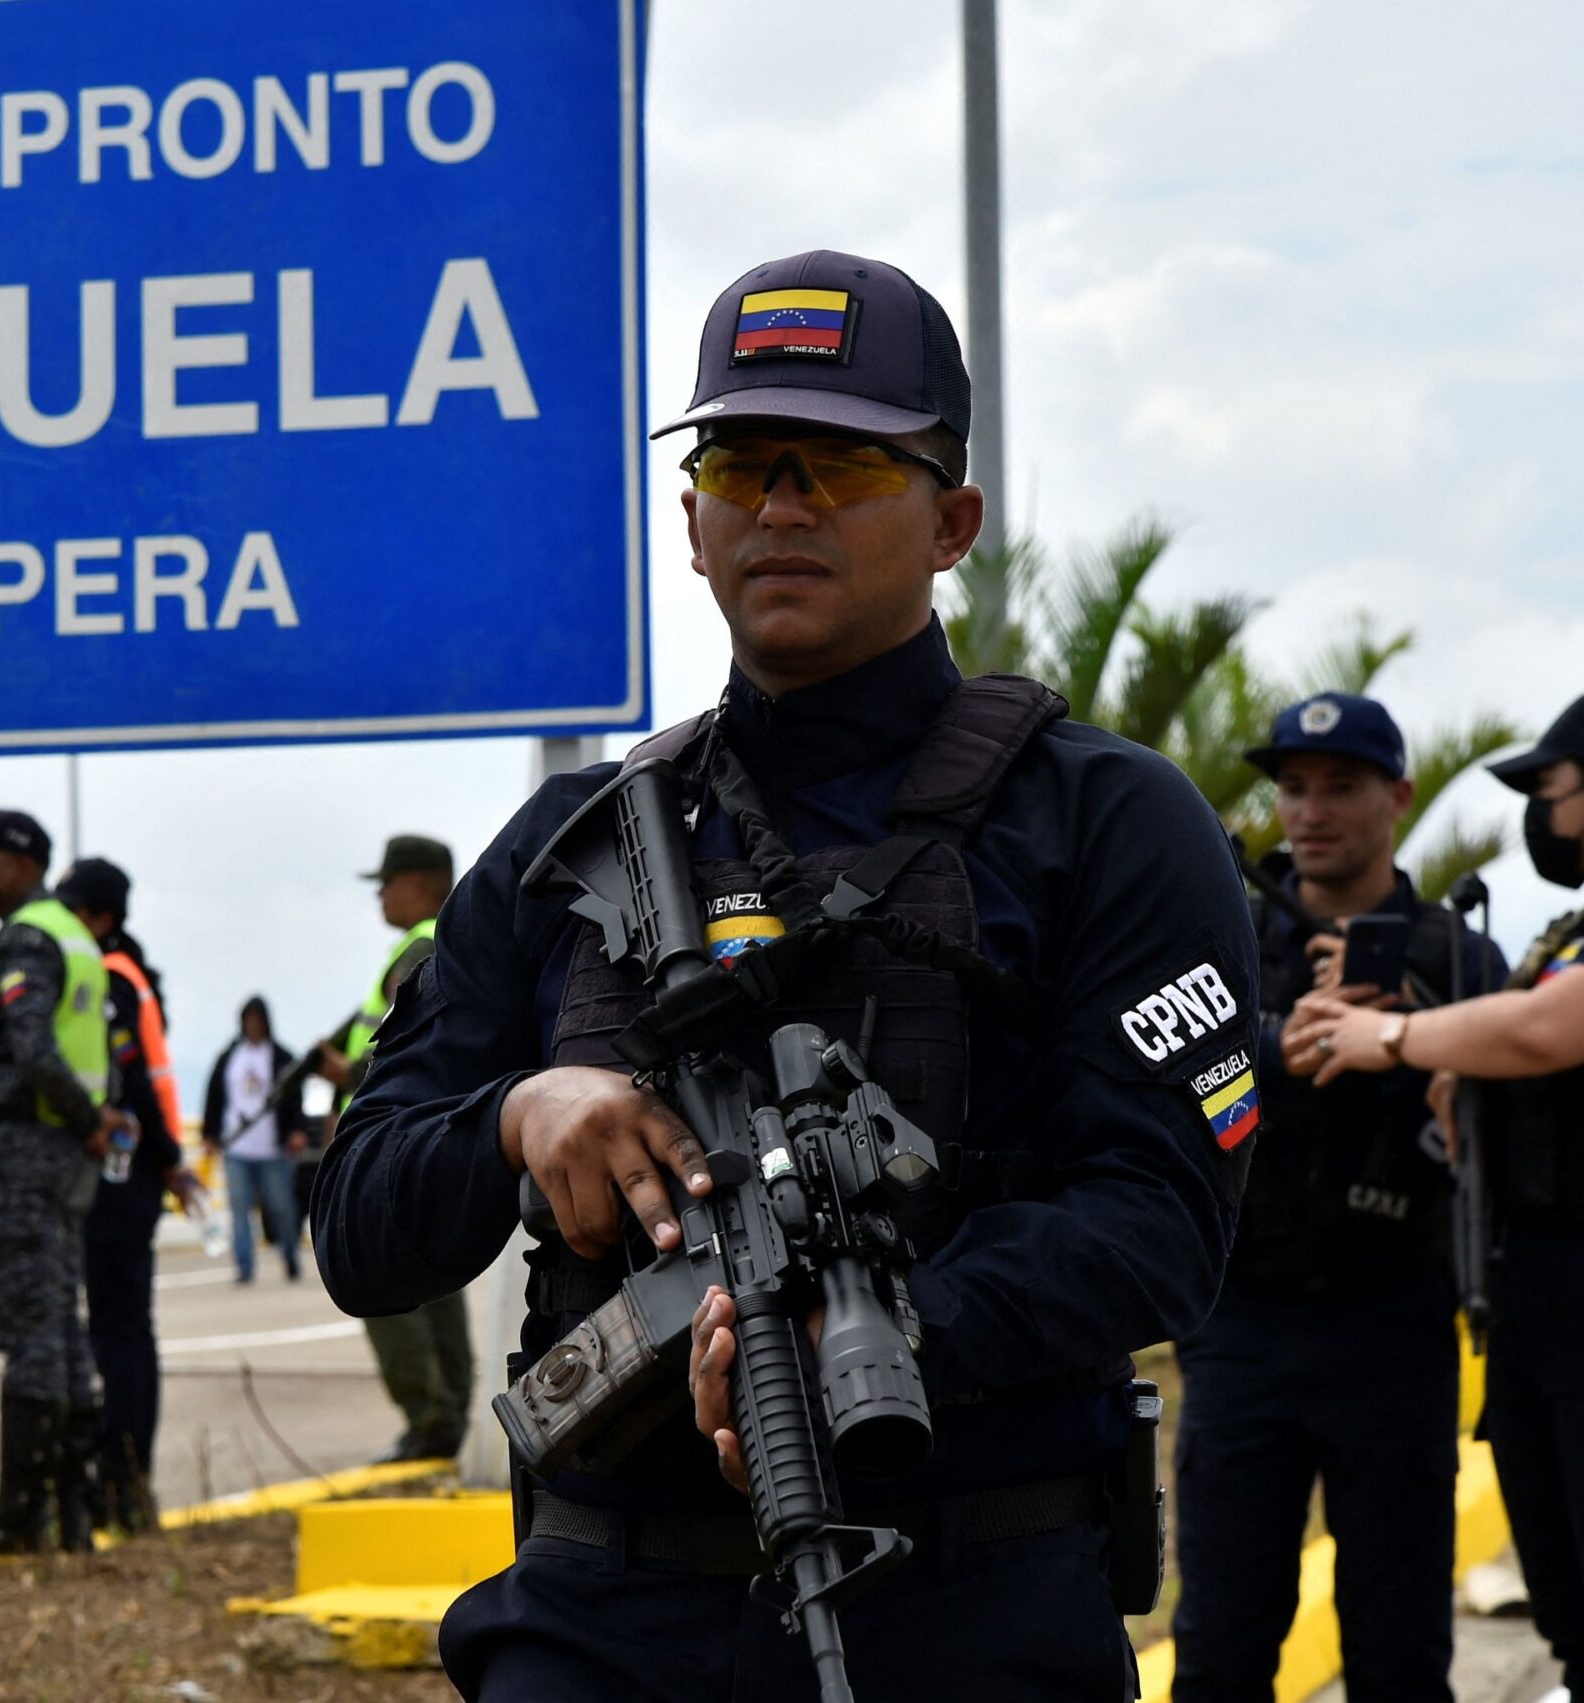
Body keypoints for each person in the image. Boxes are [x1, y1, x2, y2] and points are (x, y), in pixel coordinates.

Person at [315, 250, 1259, 1700]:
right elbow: (362, 1223)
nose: (784, 503)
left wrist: (877, 1333)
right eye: (744, 462)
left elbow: (1161, 1222)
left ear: (953, 520)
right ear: (692, 524)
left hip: (966, 1602)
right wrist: (519, 1115)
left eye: (845, 467)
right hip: (601, 1614)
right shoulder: (575, 845)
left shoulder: (1107, 821)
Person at [1292, 686, 1584, 1700]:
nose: (1540, 809)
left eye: (1551, 786)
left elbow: (1547, 1029)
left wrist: (1391, 1036)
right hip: (1559, 1323)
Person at [1168, 694, 1502, 1703]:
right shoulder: (1227, 938)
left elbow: (1507, 1125)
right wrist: (1278, 1040)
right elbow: (1165, 1068)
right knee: (1220, 1643)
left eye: (1341, 786)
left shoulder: (1455, 955)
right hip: (1242, 1328)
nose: (1310, 811)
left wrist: (1413, 1037)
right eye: (1294, 787)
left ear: (1396, 796)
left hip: (1392, 1324)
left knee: (1400, 1651)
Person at [0, 810, 129, 1556]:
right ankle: (73, 1508)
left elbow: (35, 1048)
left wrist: (82, 1119)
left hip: (26, 1148)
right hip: (66, 1157)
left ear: (20, 863)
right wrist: (91, 1123)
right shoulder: (76, 936)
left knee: (31, 1328)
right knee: (62, 1325)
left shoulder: (26, 936)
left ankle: (22, 1510)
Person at [321, 834, 476, 1465]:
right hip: (427, 1138)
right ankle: (445, 1419)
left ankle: (428, 1420)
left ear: (420, 884)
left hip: (394, 1144)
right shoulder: (449, 943)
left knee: (383, 1281)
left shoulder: (418, 949)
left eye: (387, 882)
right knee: (435, 1283)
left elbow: (408, 1053)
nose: (381, 895)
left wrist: (346, 1081)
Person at [54, 857, 184, 1533]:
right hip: (138, 1173)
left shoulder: (105, 978)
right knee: (129, 1329)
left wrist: (166, 1159)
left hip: (120, 1175)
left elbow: (131, 1078)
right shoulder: (133, 971)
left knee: (118, 1333)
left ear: (99, 917)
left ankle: (123, 1481)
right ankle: (128, 1479)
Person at [201, 996, 309, 1283]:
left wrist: (298, 1130)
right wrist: (209, 1135)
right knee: (239, 1212)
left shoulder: (282, 1056)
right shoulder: (229, 1057)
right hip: (237, 1147)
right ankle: (244, 1267)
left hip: (274, 1148)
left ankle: (289, 1256)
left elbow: (295, 1098)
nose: (253, 1025)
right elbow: (214, 1097)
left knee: (282, 1209)